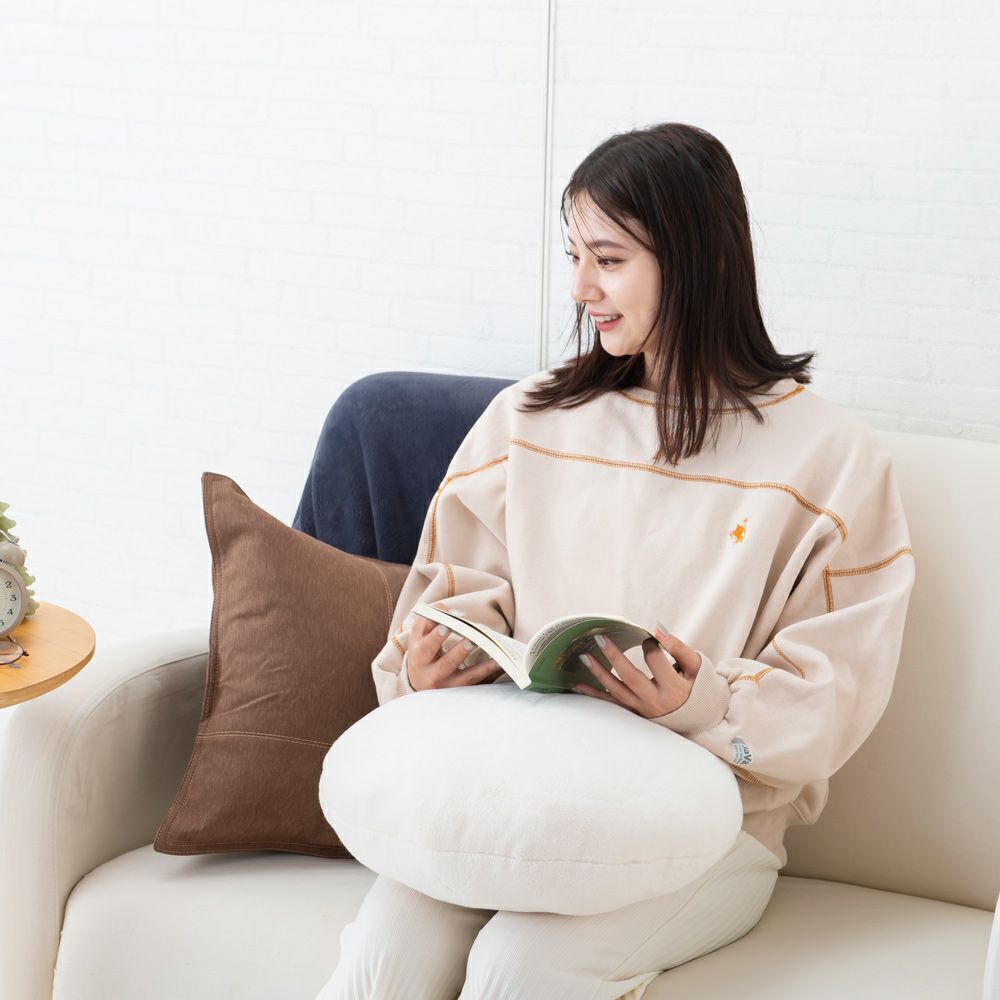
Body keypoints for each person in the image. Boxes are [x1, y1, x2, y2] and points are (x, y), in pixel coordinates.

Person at [315, 122, 916, 1000]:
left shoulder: (830, 458)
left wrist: (697, 702)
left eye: (608, 259)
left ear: (697, 261)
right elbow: (454, 595)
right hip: (512, 792)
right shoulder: (529, 419)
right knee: (385, 956)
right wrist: (428, 667)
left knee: (520, 967)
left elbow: (835, 689)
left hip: (709, 825)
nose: (581, 289)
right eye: (574, 257)